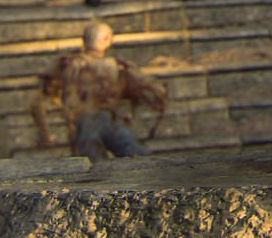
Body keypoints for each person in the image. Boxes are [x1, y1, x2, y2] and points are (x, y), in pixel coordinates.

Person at [31, 21, 169, 161]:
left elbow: (38, 103)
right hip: (100, 122)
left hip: (89, 124)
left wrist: (44, 134)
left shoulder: (69, 65)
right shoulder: (117, 66)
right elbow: (156, 90)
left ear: (84, 41)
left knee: (95, 169)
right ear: (107, 40)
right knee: (137, 157)